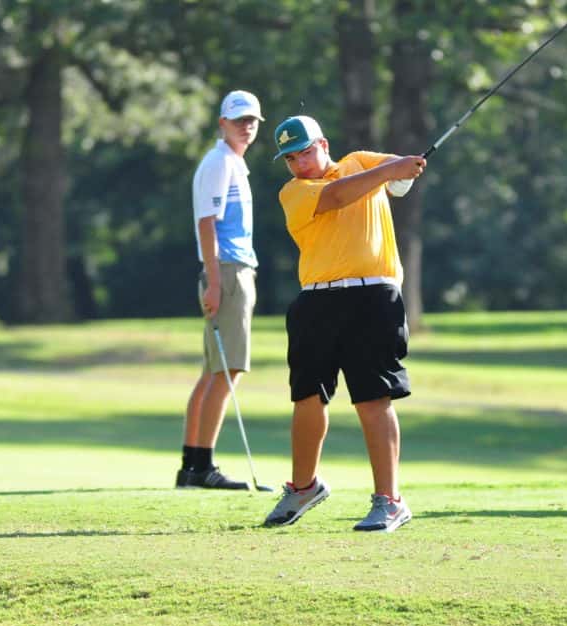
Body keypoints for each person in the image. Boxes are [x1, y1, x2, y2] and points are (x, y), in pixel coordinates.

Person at [263, 115, 426, 532]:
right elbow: (337, 196)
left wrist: (402, 171)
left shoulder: (359, 161)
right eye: (290, 158)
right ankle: (303, 487)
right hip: (316, 299)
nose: (299, 164)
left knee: (373, 397)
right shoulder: (294, 192)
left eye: (305, 152)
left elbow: (399, 178)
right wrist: (390, 172)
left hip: (374, 295)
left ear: (323, 144)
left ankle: (389, 501)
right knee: (307, 397)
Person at [177, 90, 264, 490]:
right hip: (227, 271)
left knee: (213, 373)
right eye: (239, 120)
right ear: (222, 123)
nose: (246, 126)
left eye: (252, 120)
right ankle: (202, 467)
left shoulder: (232, 163)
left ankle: (191, 467)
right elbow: (206, 224)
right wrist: (214, 282)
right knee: (227, 370)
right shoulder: (219, 163)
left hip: (231, 270)